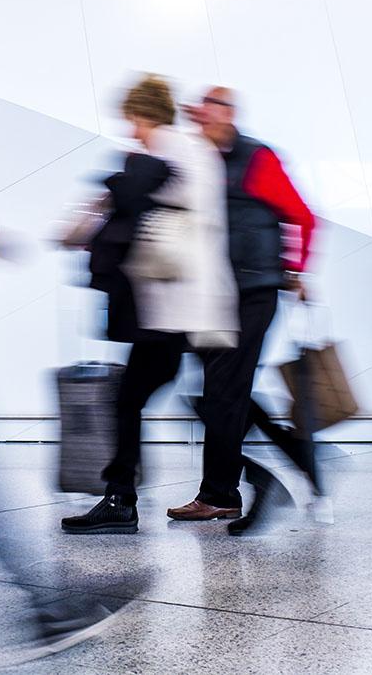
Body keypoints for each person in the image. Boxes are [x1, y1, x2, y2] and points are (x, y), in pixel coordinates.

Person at [61, 75, 239, 535]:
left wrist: (95, 207)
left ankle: (122, 499)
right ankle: (126, 494)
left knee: (135, 400)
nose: (130, 130)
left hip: (174, 308)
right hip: (196, 304)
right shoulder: (195, 150)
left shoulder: (165, 146)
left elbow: (134, 192)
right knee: (207, 399)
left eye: (131, 120)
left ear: (141, 114)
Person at [166, 87, 316, 532]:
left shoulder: (256, 159)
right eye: (197, 113)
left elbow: (303, 217)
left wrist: (295, 268)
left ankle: (221, 495)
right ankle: (295, 453)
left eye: (210, 109)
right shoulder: (201, 160)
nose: (200, 119)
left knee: (224, 391)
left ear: (228, 114)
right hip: (212, 294)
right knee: (216, 391)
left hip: (252, 293)